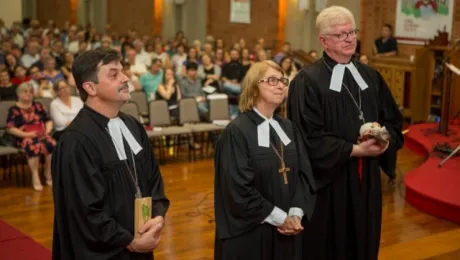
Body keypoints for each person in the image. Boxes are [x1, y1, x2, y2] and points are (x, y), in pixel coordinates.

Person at [287, 6, 404, 260]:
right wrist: (355, 150)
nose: (350, 38)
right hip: (330, 185)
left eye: (352, 32)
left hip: (367, 182)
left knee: (364, 241)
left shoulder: (371, 77)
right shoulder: (306, 82)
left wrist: (385, 141)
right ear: (323, 41)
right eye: (341, 34)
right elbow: (308, 138)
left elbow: (394, 122)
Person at [51, 49, 170, 260]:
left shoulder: (132, 126)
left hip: (142, 240)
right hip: (106, 251)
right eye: (114, 75)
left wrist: (158, 217)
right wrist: (129, 242)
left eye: (122, 72)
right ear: (90, 87)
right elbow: (84, 211)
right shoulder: (76, 141)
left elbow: (153, 179)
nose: (125, 78)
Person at [214, 60, 316, 260]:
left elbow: (305, 174)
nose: (280, 85)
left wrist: (295, 213)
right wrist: (280, 218)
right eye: (272, 80)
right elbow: (237, 188)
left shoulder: (288, 128)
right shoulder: (236, 132)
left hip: (288, 229)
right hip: (252, 233)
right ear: (253, 88)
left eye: (282, 80)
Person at [7, 82, 55, 191]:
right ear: (18, 94)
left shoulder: (38, 105)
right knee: (34, 146)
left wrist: (46, 132)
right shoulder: (14, 109)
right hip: (24, 137)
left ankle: (48, 173)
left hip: (41, 134)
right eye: (25, 91)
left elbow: (48, 120)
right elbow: (11, 128)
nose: (28, 94)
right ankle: (35, 175)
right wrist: (27, 134)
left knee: (51, 143)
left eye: (30, 92)